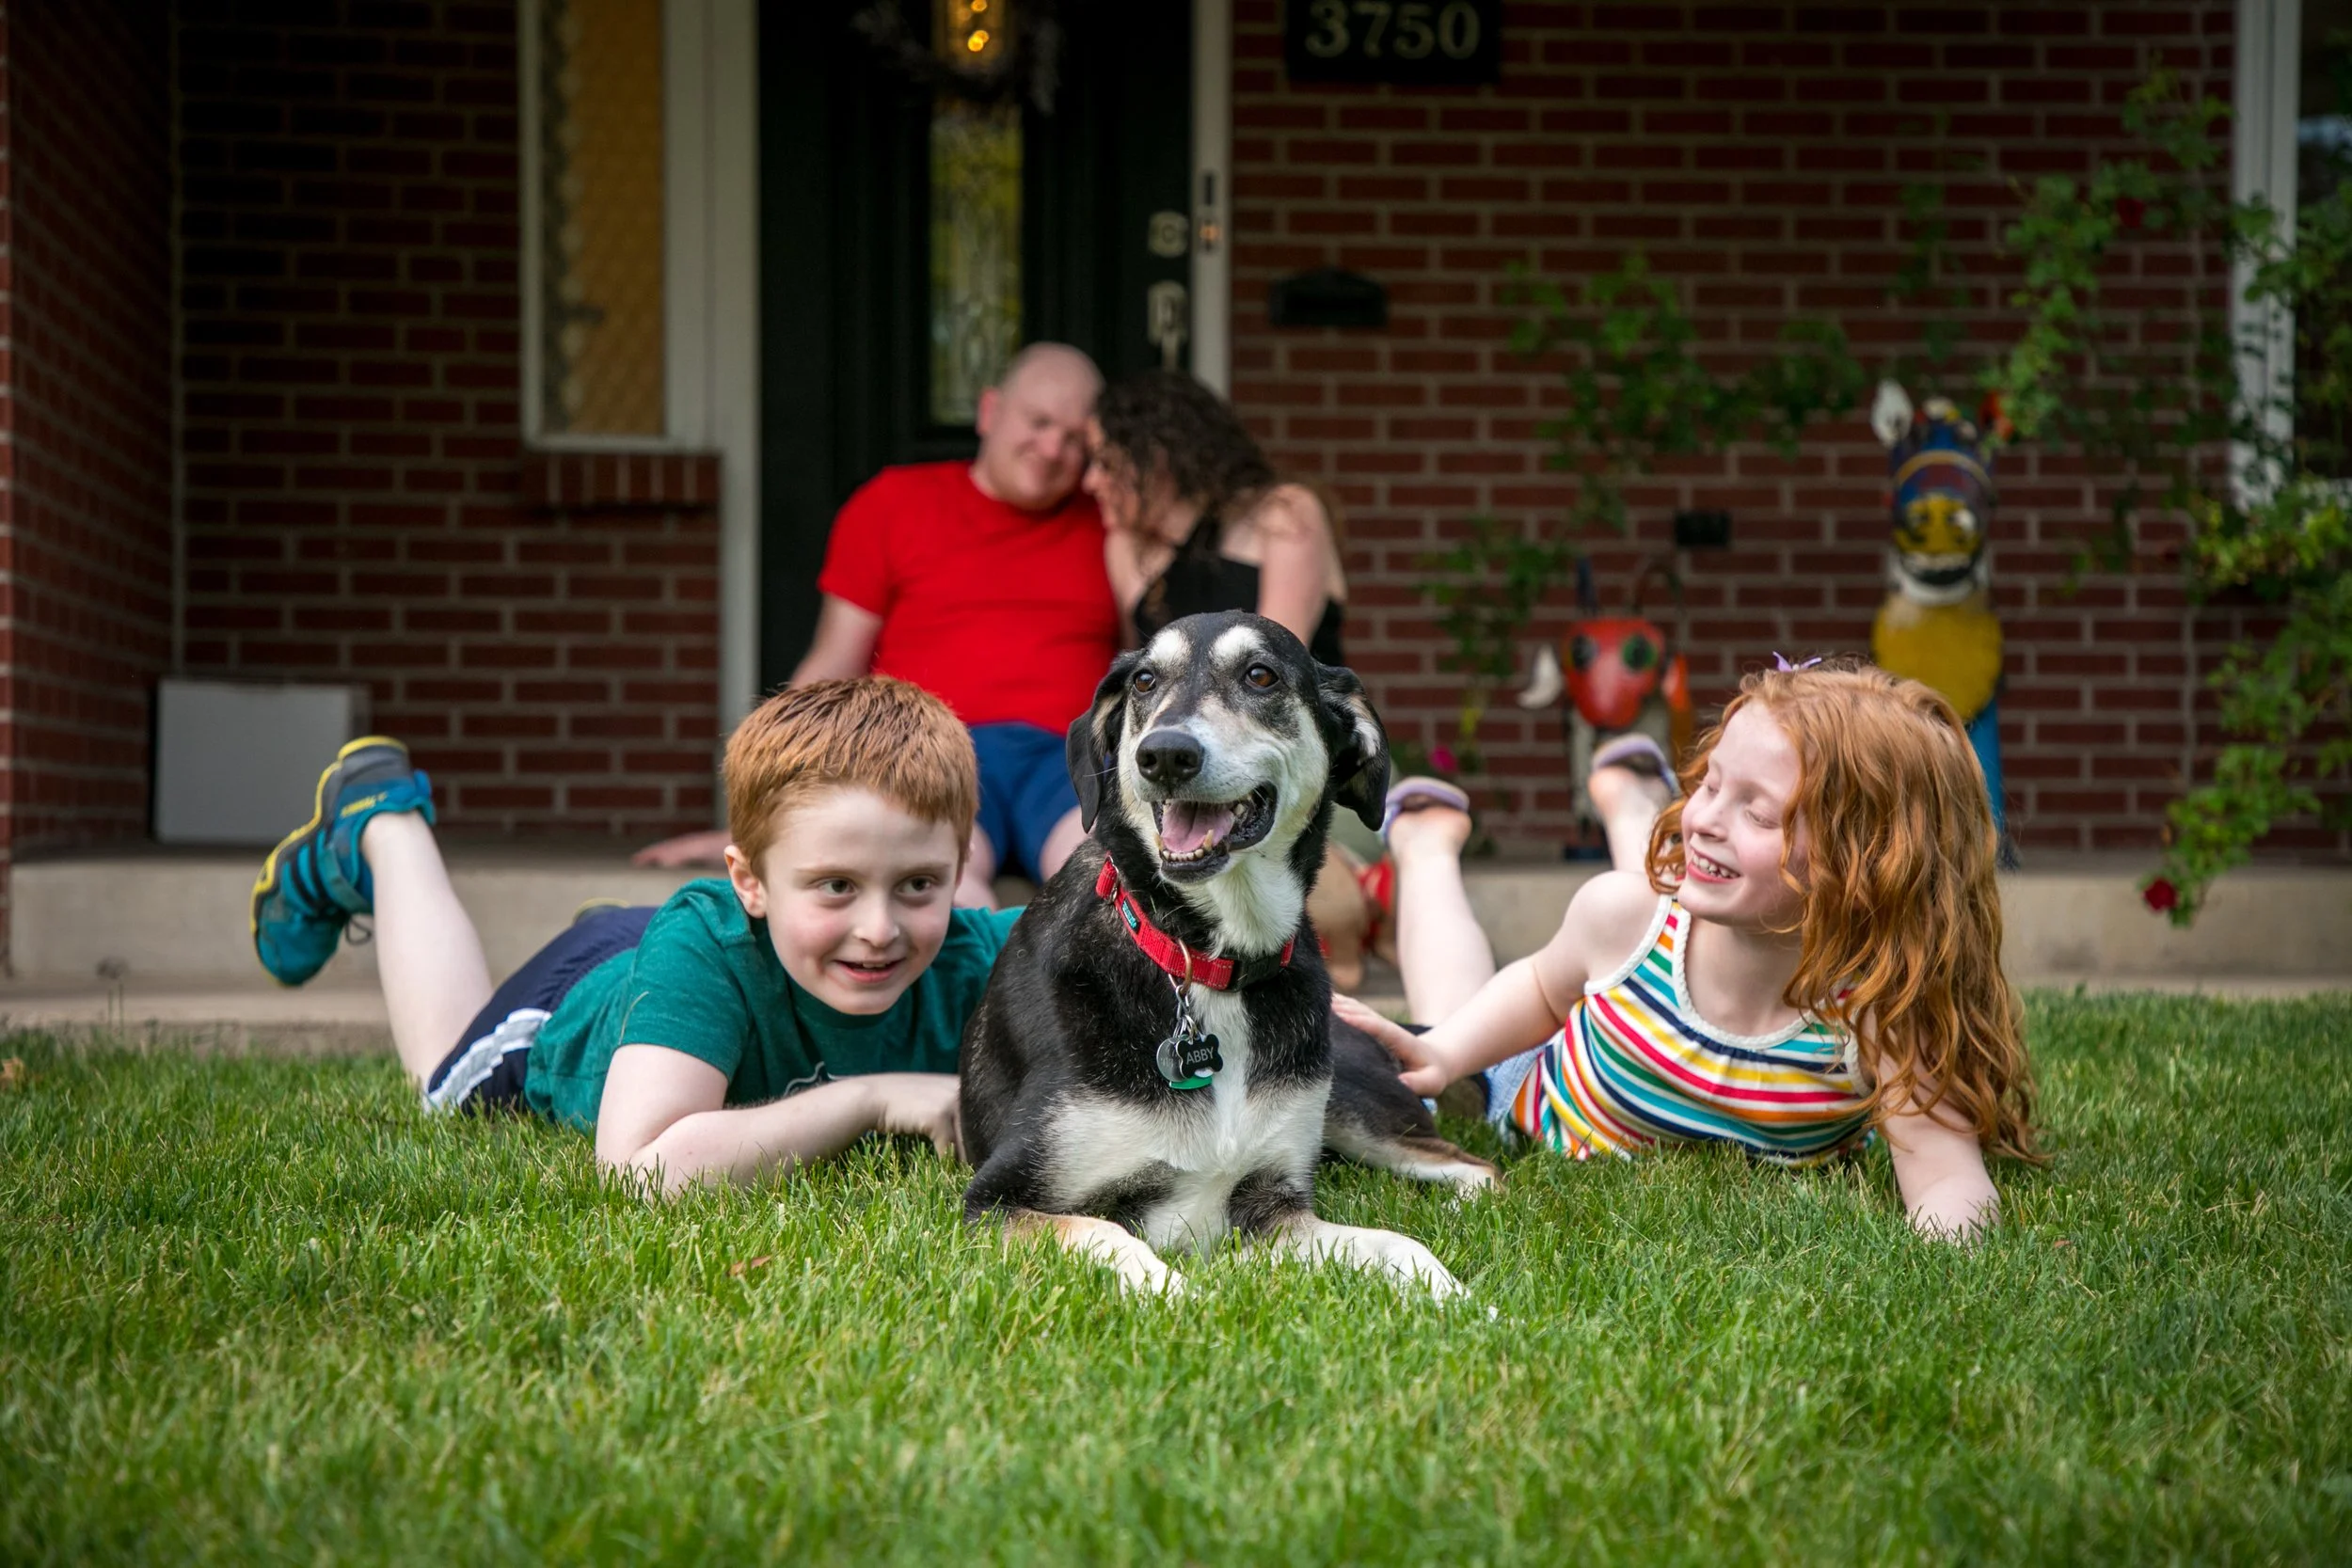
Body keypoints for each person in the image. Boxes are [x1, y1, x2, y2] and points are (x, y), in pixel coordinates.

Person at [1336, 658, 2041, 1240]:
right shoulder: (1623, 918)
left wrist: (1954, 1246)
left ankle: (1630, 794)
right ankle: (1427, 848)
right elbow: (1543, 990)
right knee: (1450, 1003)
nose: (1704, 816)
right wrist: (1448, 1052)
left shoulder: (1878, 1011)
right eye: (1707, 783)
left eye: (1757, 810)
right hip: (1538, 1084)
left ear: (1868, 862)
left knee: (1683, 861)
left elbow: (1945, 1170)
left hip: (1669, 975)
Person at [249, 678, 1018, 1192]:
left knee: (684, 960)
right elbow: (637, 1169)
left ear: (960, 868)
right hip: (582, 998)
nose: (879, 929)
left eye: (918, 885)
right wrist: (875, 1097)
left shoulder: (990, 952)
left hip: (674, 959)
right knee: (442, 1082)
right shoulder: (711, 946)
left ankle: (640, 946)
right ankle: (379, 821)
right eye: (837, 886)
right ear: (748, 881)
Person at [635, 343, 1116, 909]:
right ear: (989, 412)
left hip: (1071, 757)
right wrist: (763, 817)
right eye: (1038, 422)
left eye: (1076, 438)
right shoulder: (895, 503)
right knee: (943, 888)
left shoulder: (1114, 520)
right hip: (934, 750)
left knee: (1102, 884)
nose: (1053, 449)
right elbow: (832, 665)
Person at [1084, 368, 1386, 983]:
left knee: (1315, 909)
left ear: (1160, 454)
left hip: (1297, 781)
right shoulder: (1127, 547)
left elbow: (1272, 671)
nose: (1092, 480)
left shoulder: (1284, 515)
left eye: (1107, 460)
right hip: (1190, 774)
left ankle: (1366, 888)